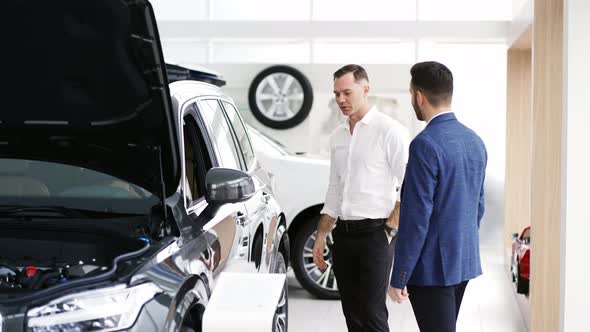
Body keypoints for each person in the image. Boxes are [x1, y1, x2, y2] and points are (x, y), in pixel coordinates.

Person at [388, 61, 487, 332]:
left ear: (419, 97)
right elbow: (478, 206)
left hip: (432, 268)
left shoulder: (425, 144)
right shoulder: (474, 141)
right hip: (462, 260)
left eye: (411, 94)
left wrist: (400, 274)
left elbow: (416, 218)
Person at [313, 64, 409, 332]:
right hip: (343, 235)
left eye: (347, 92)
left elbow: (409, 185)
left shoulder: (390, 131)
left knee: (372, 314)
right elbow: (334, 188)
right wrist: (322, 234)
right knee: (352, 314)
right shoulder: (337, 136)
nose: (341, 100)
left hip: (376, 233)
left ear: (366, 89)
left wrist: (389, 230)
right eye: (336, 94)